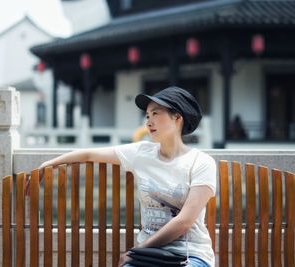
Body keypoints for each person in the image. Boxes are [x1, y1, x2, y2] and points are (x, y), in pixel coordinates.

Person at [30, 86, 216, 267]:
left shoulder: (200, 162)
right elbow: (88, 154)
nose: (149, 121)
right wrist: (47, 164)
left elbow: (184, 221)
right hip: (148, 256)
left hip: (190, 255)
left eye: (156, 114)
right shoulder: (141, 153)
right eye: (147, 116)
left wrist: (137, 250)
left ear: (177, 117)